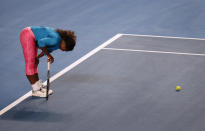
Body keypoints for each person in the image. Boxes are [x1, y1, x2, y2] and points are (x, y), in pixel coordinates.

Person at [20, 26, 76, 97]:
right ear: (64, 42)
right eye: (66, 48)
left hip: (33, 38)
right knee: (30, 64)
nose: (64, 50)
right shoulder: (55, 39)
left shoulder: (57, 45)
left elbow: (47, 49)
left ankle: (38, 86)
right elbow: (41, 42)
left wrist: (38, 57)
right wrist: (49, 56)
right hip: (27, 35)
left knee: (35, 62)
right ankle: (35, 90)